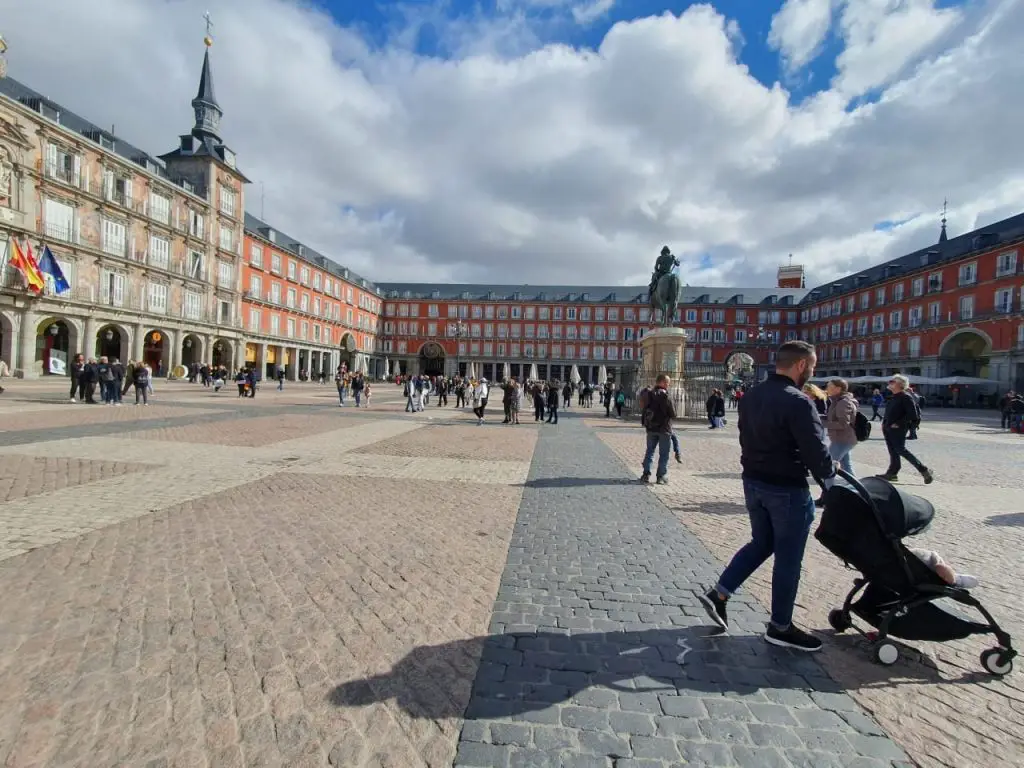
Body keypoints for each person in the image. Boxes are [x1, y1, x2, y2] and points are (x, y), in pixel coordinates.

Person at [698, 341, 836, 652]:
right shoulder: (799, 402)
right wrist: (831, 479)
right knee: (788, 558)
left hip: (753, 483)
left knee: (762, 543)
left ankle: (719, 593)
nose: (812, 372)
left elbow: (746, 436)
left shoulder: (751, 396)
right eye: (811, 366)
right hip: (786, 489)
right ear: (801, 365)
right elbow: (816, 452)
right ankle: (780, 626)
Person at [880, 374, 933, 484]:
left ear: (900, 384)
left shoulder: (905, 397)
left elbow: (913, 415)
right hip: (888, 428)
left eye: (892, 381)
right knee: (893, 451)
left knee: (900, 450)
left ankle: (923, 469)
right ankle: (892, 473)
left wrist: (898, 423)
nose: (889, 383)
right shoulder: (894, 396)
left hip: (898, 429)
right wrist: (885, 424)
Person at [639, 374, 677, 485]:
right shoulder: (666, 395)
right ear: (663, 382)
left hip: (651, 427)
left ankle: (645, 474)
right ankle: (661, 476)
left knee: (650, 451)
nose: (668, 385)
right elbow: (673, 413)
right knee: (664, 454)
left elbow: (643, 408)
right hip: (664, 428)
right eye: (668, 382)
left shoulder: (648, 394)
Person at [822, 378, 858, 475]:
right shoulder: (836, 401)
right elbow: (833, 418)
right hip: (843, 439)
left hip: (842, 439)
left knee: (829, 466)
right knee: (846, 466)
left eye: (829, 386)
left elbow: (843, 424)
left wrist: (822, 423)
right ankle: (855, 488)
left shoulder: (843, 402)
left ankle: (827, 489)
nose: (826, 389)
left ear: (838, 389)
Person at [909, 548, 978, 589]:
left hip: (907, 571)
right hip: (923, 569)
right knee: (935, 562)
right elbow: (940, 567)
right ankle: (955, 580)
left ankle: (954, 579)